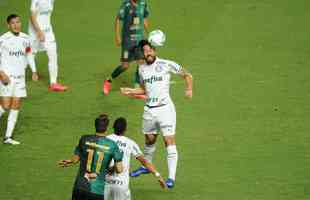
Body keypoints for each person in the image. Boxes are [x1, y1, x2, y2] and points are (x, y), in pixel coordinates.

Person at [120, 40, 193, 188]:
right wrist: (130, 91)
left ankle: (171, 177)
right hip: (149, 110)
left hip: (165, 109)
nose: (147, 53)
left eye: (149, 50)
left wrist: (189, 89)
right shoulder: (141, 69)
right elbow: (144, 90)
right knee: (149, 140)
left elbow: (187, 75)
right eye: (145, 51)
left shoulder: (166, 64)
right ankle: (146, 166)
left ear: (155, 51)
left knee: (169, 141)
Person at [58, 114, 124, 200]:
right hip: (97, 191)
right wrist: (110, 168)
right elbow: (119, 169)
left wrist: (69, 161)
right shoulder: (112, 145)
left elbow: (75, 159)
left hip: (80, 187)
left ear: (95, 125)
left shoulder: (84, 139)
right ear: (107, 127)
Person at [105, 117, 165, 200]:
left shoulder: (105, 139)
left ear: (113, 127)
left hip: (104, 182)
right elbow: (144, 162)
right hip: (121, 184)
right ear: (125, 129)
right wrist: (158, 175)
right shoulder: (130, 143)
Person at [0, 14, 38, 145]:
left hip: (20, 78)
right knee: (5, 106)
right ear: (8, 25)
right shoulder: (3, 40)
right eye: (13, 23)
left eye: (18, 22)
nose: (16, 25)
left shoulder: (25, 39)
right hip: (7, 78)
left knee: (16, 106)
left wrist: (34, 71)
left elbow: (29, 55)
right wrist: (1, 73)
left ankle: (8, 137)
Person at [103, 0, 149, 96]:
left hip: (139, 39)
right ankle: (108, 80)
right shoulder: (126, 5)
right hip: (128, 40)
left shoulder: (143, 3)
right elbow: (118, 20)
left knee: (140, 62)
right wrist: (117, 37)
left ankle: (137, 87)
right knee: (125, 66)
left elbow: (145, 17)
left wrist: (148, 32)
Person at [29, 0, 68, 92]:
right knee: (30, 54)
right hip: (35, 31)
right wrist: (39, 31)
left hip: (48, 32)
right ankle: (13, 73)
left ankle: (53, 83)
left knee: (53, 54)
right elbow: (32, 17)